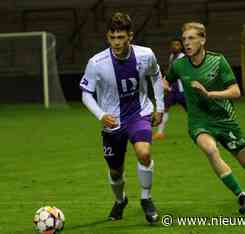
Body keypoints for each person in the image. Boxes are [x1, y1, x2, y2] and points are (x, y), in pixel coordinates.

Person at [165, 22, 245, 214]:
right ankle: (242, 196)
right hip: (199, 122)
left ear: (203, 39)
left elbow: (236, 91)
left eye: (192, 38)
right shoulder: (179, 65)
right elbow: (167, 80)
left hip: (224, 120)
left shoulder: (218, 61)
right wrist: (162, 87)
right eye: (184, 39)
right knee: (211, 150)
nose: (186, 43)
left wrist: (209, 94)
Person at [79, 12, 164, 223]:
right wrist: (101, 114)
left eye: (121, 37)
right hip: (113, 122)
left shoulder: (146, 55)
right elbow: (86, 94)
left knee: (144, 154)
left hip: (139, 114)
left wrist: (159, 106)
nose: (116, 42)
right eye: (112, 37)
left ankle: (146, 199)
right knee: (115, 171)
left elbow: (155, 76)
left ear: (130, 37)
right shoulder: (96, 62)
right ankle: (120, 200)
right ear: (108, 37)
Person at [153, 38, 187, 140]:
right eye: (173, 45)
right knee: (164, 109)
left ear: (181, 46)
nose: (174, 47)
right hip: (172, 89)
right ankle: (159, 133)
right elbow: (170, 71)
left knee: (192, 111)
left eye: (177, 45)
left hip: (182, 89)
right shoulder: (172, 56)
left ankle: (204, 130)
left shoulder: (183, 57)